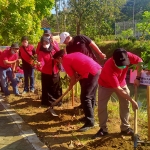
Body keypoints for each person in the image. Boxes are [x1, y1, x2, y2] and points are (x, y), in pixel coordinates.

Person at [92, 48, 142, 139]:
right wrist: (132, 100)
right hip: (105, 85)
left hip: (121, 82)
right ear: (113, 60)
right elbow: (118, 89)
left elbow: (140, 62)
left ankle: (125, 128)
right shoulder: (109, 67)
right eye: (120, 65)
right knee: (102, 106)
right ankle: (103, 129)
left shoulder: (128, 55)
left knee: (125, 104)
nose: (123, 67)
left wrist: (138, 78)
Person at [53, 50, 102, 132]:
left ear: (60, 58)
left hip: (91, 73)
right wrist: (75, 79)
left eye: (57, 60)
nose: (58, 62)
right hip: (97, 69)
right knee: (91, 96)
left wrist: (70, 86)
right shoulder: (74, 54)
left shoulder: (65, 61)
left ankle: (90, 122)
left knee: (85, 97)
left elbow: (72, 78)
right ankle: (89, 117)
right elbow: (77, 71)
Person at [60, 32, 106, 109]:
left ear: (68, 37)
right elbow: (72, 61)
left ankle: (92, 104)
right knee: (84, 87)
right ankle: (85, 104)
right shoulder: (68, 48)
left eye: (65, 40)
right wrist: (74, 74)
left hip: (91, 65)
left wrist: (100, 53)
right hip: (81, 69)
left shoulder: (80, 38)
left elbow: (92, 44)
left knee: (91, 86)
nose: (64, 43)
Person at [37, 37, 62, 106]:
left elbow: (60, 53)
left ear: (49, 42)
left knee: (57, 87)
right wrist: (40, 64)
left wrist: (54, 45)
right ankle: (48, 102)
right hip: (46, 72)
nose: (45, 44)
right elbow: (41, 61)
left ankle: (58, 101)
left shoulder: (53, 49)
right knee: (47, 88)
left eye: (46, 42)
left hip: (55, 71)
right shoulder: (41, 52)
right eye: (43, 43)